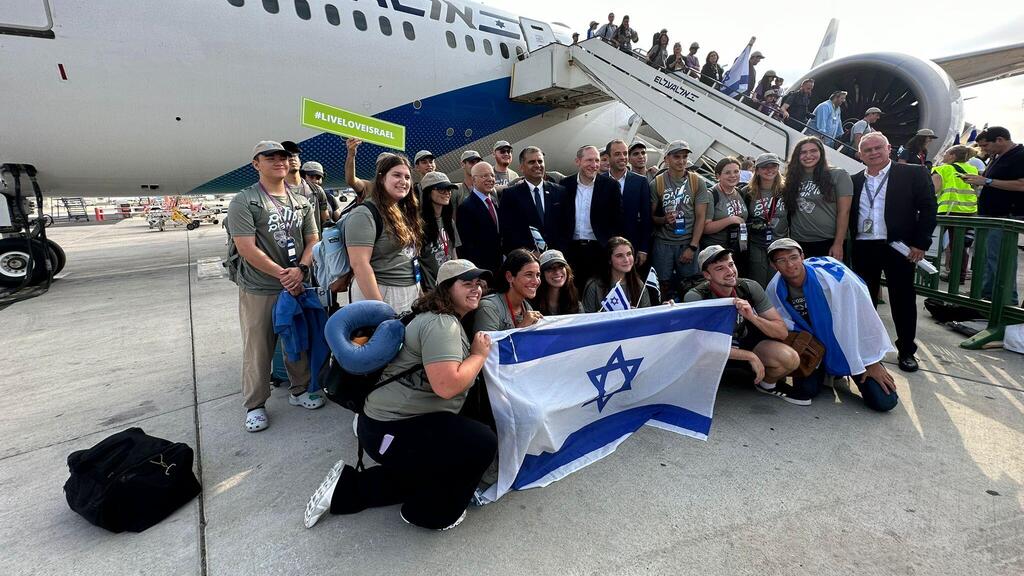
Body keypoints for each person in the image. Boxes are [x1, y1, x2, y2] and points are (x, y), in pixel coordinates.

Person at [303, 260, 496, 531]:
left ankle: (344, 489)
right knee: (481, 442)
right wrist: (478, 355)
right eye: (467, 283)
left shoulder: (433, 317)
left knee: (427, 474)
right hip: (392, 431)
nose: (476, 288)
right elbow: (447, 386)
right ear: (446, 288)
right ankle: (430, 514)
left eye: (479, 283)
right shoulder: (443, 325)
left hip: (383, 428)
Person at [227, 141, 320, 433]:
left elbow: (313, 240)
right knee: (259, 347)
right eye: (270, 157)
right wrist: (284, 274)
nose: (279, 161)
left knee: (297, 340)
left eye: (283, 157)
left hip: (295, 283)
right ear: (256, 163)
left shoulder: (301, 200)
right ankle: (255, 405)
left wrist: (301, 270)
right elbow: (246, 248)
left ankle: (299, 390)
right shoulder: (246, 200)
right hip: (260, 288)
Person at [765, 238, 900, 412]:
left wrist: (872, 359)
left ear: (802, 257)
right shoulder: (774, 288)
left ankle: (842, 369)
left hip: (849, 346)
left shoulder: (835, 279)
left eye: (793, 257)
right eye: (781, 261)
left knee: (885, 401)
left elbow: (864, 316)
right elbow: (780, 324)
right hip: (815, 349)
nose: (789, 265)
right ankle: (827, 371)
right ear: (773, 265)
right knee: (806, 391)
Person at [851, 132, 937, 372]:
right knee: (865, 300)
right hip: (864, 245)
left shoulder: (913, 173)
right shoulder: (855, 180)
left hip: (899, 247)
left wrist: (920, 244)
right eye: (867, 150)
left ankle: (907, 350)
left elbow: (929, 208)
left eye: (878, 148)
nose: (873, 153)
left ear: (889, 148)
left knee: (903, 299)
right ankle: (868, 350)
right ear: (860, 155)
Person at [683, 245, 802, 402]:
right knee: (692, 388)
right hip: (711, 351)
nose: (730, 271)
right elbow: (701, 343)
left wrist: (752, 317)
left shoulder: (749, 287)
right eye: (720, 268)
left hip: (742, 340)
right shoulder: (696, 296)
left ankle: (766, 385)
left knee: (790, 359)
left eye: (731, 264)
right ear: (707, 275)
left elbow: (781, 332)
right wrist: (749, 356)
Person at [346, 154, 424, 314]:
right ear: (381, 179)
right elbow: (360, 265)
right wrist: (380, 310)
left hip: (408, 291)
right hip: (381, 292)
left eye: (407, 177)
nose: (404, 181)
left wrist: (418, 291)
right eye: (396, 175)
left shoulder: (401, 210)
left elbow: (407, 256)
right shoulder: (364, 213)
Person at [959, 126, 1024, 303]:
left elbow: (1021, 185)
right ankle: (986, 296)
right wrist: (980, 180)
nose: (984, 150)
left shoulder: (1019, 156)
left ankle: (1007, 301)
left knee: (1001, 257)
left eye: (986, 146)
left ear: (1000, 140)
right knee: (985, 256)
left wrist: (986, 181)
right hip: (989, 216)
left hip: (1004, 217)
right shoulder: (997, 156)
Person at [650, 140, 709, 301]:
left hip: (688, 242)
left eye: (684, 157)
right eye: (677, 156)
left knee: (691, 286)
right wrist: (663, 220)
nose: (681, 161)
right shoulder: (658, 182)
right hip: (663, 243)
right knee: (662, 285)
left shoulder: (697, 181)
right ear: (667, 159)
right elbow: (651, 216)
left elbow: (701, 217)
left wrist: (692, 246)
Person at [777, 136, 854, 258]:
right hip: (799, 241)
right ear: (797, 156)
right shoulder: (792, 178)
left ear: (821, 153)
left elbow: (844, 212)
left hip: (829, 241)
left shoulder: (838, 175)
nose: (808, 155)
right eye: (803, 152)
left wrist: (838, 243)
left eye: (813, 151)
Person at [559, 145, 623, 291]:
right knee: (572, 292)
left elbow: (617, 221)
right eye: (589, 160)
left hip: (599, 249)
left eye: (597, 160)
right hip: (571, 250)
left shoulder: (611, 186)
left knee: (598, 292)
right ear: (578, 161)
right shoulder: (565, 185)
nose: (594, 165)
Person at [499, 146, 565, 254]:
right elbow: (508, 232)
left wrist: (558, 254)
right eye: (531, 162)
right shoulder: (510, 195)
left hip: (558, 258)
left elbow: (566, 226)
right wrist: (530, 253)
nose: (537, 165)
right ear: (521, 167)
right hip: (527, 261)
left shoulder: (559, 192)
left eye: (540, 161)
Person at [931, 144, 979, 282]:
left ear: (952, 155)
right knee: (960, 245)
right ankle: (959, 275)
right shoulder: (972, 169)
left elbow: (934, 189)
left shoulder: (942, 169)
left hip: (948, 210)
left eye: (946, 153)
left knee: (932, 242)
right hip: (969, 211)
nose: (944, 155)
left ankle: (929, 273)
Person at [606, 139, 652, 268]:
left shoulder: (640, 182)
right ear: (608, 157)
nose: (623, 157)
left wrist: (643, 248)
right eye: (617, 154)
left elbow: (646, 218)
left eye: (625, 153)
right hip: (606, 247)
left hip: (633, 247)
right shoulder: (599, 181)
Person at [703, 158, 750, 276]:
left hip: (738, 249)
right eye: (727, 172)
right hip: (717, 253)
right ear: (718, 176)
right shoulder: (711, 195)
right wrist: (731, 220)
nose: (733, 176)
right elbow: (705, 228)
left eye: (736, 171)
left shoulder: (740, 192)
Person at [455, 161, 503, 275]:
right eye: (484, 176)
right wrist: (476, 274)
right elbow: (467, 247)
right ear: (473, 180)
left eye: (492, 175)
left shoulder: (494, 201)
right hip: (482, 271)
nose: (490, 179)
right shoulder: (466, 207)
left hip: (499, 267)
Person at [582, 237, 653, 312]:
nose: (626, 260)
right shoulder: (594, 286)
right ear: (609, 259)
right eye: (619, 256)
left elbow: (647, 319)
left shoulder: (639, 286)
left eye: (629, 254)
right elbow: (586, 320)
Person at [746, 153, 785, 287]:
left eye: (773, 166)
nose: (769, 170)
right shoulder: (747, 192)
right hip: (757, 245)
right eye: (764, 167)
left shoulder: (786, 190)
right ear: (757, 170)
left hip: (780, 244)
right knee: (759, 283)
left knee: (777, 283)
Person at [418, 172, 461, 290]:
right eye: (442, 189)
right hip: (431, 289)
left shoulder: (449, 221)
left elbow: (454, 254)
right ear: (428, 192)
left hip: (450, 285)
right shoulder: (418, 224)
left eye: (449, 189)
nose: (447, 192)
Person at [282, 141, 330, 235]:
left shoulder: (316, 190)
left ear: (300, 162)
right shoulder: (276, 192)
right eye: (287, 156)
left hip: (316, 245)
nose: (292, 158)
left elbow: (326, 220)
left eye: (295, 155)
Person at [533, 249, 582, 315]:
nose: (557, 272)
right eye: (550, 268)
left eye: (561, 266)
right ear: (541, 274)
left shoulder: (576, 305)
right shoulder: (531, 305)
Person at [300, 160, 334, 230]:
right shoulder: (294, 195)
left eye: (318, 178)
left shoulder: (329, 197)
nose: (315, 181)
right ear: (303, 176)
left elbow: (332, 219)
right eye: (311, 177)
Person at [452, 150, 483, 217]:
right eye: (472, 162)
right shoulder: (457, 190)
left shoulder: (486, 187)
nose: (475, 165)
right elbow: (453, 217)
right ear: (462, 164)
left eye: (478, 162)